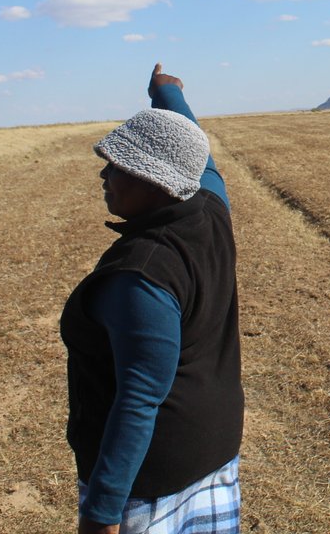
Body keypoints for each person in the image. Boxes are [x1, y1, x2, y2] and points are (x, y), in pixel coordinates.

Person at [60, 63, 243, 534]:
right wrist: (168, 94)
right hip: (214, 451)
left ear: (156, 180)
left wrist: (101, 515)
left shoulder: (140, 276)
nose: (104, 173)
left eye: (119, 165)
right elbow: (199, 154)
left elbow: (139, 400)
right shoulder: (208, 208)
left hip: (151, 483)